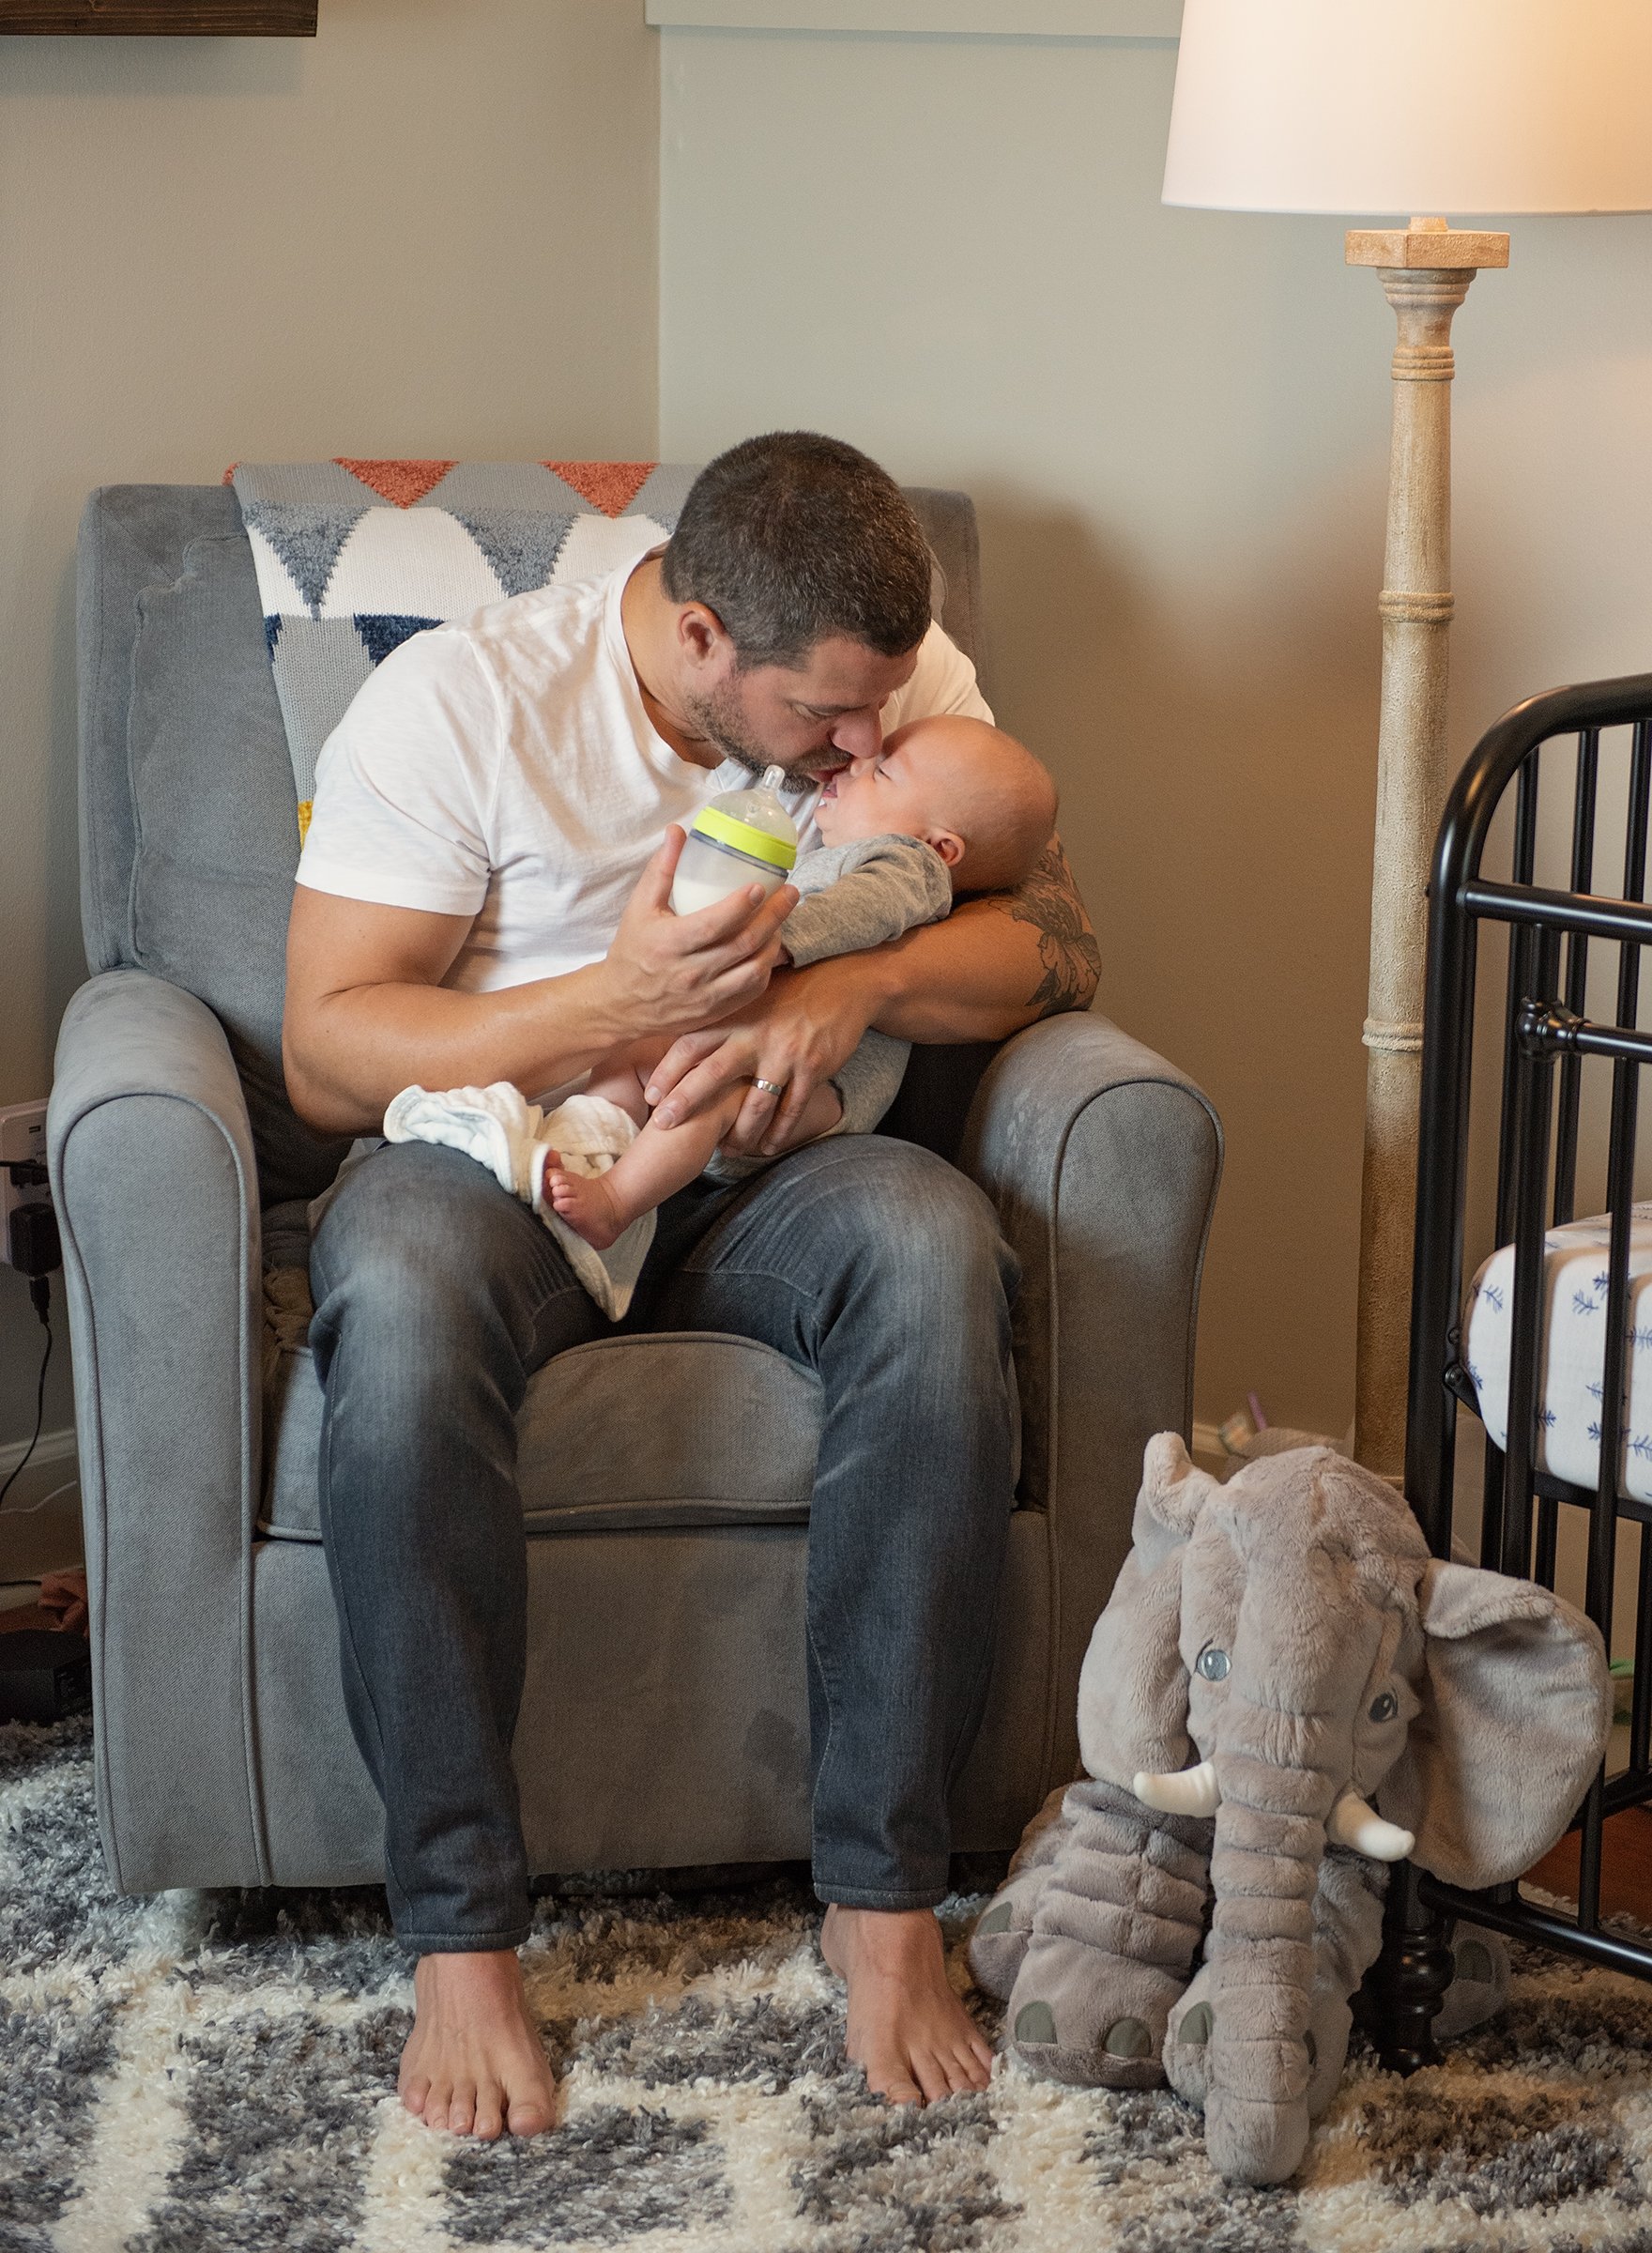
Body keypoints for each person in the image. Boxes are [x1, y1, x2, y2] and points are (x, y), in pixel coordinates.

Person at [282, 431, 1101, 2142]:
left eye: (884, 715)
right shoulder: (462, 706)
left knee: (932, 1246)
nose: (867, 745)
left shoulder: (886, 677)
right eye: (827, 723)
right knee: (405, 1293)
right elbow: (326, 1048)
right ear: (703, 634)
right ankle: (461, 1939)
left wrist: (845, 998)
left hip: (766, 1172)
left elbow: (1055, 945)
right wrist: (613, 1005)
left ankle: (884, 1910)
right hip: (517, 1159)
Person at [542, 713, 1058, 1254]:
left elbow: (864, 910)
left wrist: (773, 940)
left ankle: (617, 1203)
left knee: (710, 1100)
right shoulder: (840, 858)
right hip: (765, 1070)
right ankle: (590, 1142)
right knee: (633, 1051)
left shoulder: (910, 867)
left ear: (942, 847)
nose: (855, 763)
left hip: (817, 1091)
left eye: (881, 774)